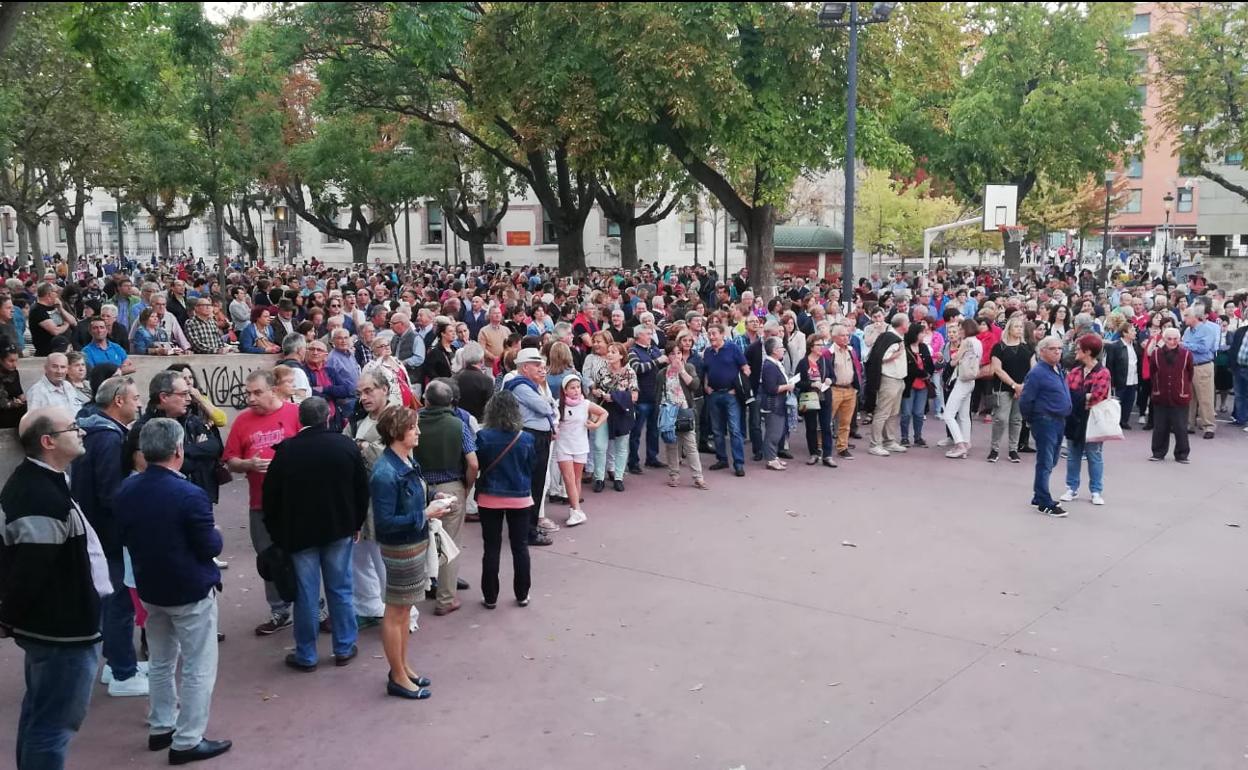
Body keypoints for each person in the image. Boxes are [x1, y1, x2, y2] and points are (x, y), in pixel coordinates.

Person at [114, 419, 232, 765]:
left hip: (152, 586)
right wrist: (218, 535)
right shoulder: (188, 494)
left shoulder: (127, 490)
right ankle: (188, 739)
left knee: (162, 661)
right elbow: (208, 544)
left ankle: (161, 725)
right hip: (189, 588)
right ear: (178, 450)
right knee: (198, 665)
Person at [0, 408, 105, 770]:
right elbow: (28, 572)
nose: (82, 433)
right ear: (48, 442)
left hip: (54, 628)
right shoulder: (40, 497)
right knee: (53, 724)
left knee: (39, 715)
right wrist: (8, 618)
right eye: (73, 428)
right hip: (62, 632)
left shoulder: (40, 483)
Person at [263, 397, 369, 672]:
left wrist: (277, 533)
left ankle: (306, 654)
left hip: (299, 534)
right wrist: (356, 522)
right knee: (341, 589)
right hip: (338, 528)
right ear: (327, 417)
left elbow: (270, 497)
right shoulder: (345, 446)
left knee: (306, 594)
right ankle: (344, 646)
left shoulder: (287, 451)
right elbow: (361, 489)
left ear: (301, 420)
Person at [69, 376, 145, 699]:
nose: (139, 403)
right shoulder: (109, 439)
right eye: (135, 398)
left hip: (97, 530)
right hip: (108, 533)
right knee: (118, 602)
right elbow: (111, 493)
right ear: (118, 401)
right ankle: (122, 672)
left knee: (115, 601)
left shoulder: (94, 430)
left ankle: (118, 663)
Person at [370, 405, 453, 700]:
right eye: (413, 427)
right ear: (397, 432)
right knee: (396, 611)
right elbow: (385, 523)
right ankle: (398, 675)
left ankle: (403, 667)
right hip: (401, 547)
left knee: (404, 610)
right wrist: (425, 513)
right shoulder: (385, 472)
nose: (418, 431)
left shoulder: (404, 460)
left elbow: (418, 490)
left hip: (413, 544)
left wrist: (434, 497)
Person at [222, 370, 300, 635]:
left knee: (301, 555)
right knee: (269, 557)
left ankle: (314, 606)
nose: (251, 398)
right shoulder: (242, 422)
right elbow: (230, 461)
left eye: (257, 392)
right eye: (248, 393)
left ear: (274, 391)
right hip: (260, 503)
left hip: (294, 502)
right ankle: (279, 611)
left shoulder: (295, 414)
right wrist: (248, 464)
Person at [414, 380, 479, 616]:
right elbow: (473, 462)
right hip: (451, 487)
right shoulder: (458, 425)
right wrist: (466, 486)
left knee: (417, 541)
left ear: (426, 400)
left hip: (418, 486)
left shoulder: (413, 421)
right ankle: (446, 598)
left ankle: (415, 593)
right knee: (449, 543)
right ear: (451, 401)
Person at [474, 391, 537, 609]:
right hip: (519, 496)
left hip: (490, 497)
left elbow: (479, 464)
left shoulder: (483, 437)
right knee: (520, 547)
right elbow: (532, 467)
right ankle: (522, 593)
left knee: (491, 547)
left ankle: (490, 596)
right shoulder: (526, 438)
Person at [503, 347, 558, 546]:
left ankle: (528, 528)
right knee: (532, 484)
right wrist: (549, 404)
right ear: (525, 367)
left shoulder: (529, 385)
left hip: (537, 436)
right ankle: (527, 531)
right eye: (536, 365)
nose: (540, 368)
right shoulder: (521, 386)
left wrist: (548, 404)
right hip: (531, 436)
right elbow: (546, 407)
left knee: (535, 483)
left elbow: (549, 406)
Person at [1019, 336, 1073, 517]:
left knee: (1052, 460)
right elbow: (1026, 399)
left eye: (1059, 348)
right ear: (1042, 352)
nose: (1058, 351)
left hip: (1058, 420)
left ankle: (1038, 495)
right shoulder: (1037, 373)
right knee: (1046, 461)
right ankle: (1044, 501)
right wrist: (1031, 419)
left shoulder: (1058, 369)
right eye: (1053, 349)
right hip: (1045, 420)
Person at [1059, 335, 1111, 507]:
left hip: (1093, 419)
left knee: (1094, 454)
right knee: (1073, 454)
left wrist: (1078, 396)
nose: (1076, 350)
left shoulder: (1103, 372)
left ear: (1088, 351)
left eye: (1079, 348)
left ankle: (1096, 490)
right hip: (1075, 417)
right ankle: (1071, 487)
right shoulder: (1074, 371)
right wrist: (1083, 396)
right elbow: (1067, 393)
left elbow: (1098, 396)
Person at [701, 323, 750, 477]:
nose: (711, 336)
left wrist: (740, 387)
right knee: (716, 430)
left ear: (722, 334)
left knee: (734, 429)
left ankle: (739, 463)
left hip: (731, 395)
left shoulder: (733, 348)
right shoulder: (707, 352)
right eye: (709, 333)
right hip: (714, 394)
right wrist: (706, 385)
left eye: (714, 333)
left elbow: (745, 368)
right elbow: (706, 371)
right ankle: (722, 459)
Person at [658, 340, 707, 488]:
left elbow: (695, 385)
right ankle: (674, 475)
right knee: (671, 445)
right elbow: (658, 393)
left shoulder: (689, 367)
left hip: (685, 410)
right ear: (667, 356)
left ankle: (698, 477)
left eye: (678, 353)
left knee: (690, 445)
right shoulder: (662, 373)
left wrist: (682, 371)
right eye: (672, 354)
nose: (676, 356)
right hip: (668, 412)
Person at [593, 341, 638, 493]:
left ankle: (618, 477)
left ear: (621, 355)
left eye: (613, 352)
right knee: (599, 445)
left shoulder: (629, 372)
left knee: (621, 446)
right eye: (609, 351)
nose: (610, 354)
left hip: (621, 411)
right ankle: (599, 478)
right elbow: (595, 387)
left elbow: (634, 396)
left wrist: (614, 397)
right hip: (603, 410)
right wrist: (597, 392)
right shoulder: (602, 370)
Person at [988, 315, 1032, 462]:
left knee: (1016, 420)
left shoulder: (1027, 348)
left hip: (1022, 388)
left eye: (1021, 327)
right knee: (1000, 419)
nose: (1019, 329)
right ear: (1009, 329)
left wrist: (1022, 387)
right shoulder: (999, 347)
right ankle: (994, 449)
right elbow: (997, 369)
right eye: (1016, 326)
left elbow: (1034, 369)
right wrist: (1014, 385)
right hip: (1004, 387)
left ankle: (1013, 449)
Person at [865, 313, 909, 457]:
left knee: (893, 412)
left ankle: (889, 441)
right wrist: (897, 354)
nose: (908, 325)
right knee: (882, 412)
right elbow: (882, 357)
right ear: (902, 325)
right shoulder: (891, 338)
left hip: (898, 379)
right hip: (889, 379)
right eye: (907, 322)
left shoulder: (894, 337)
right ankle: (875, 444)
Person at [1148, 327, 1194, 463]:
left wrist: (1182, 387)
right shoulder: (1156, 354)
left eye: (1176, 339)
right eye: (1169, 339)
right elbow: (1152, 373)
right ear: (1163, 339)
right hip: (1160, 395)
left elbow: (1190, 374)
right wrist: (1157, 387)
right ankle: (1158, 452)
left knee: (1180, 427)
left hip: (1180, 396)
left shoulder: (1186, 354)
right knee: (1160, 427)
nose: (1173, 342)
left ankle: (1182, 454)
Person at [627, 325, 667, 474]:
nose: (650, 336)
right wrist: (657, 361)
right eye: (647, 334)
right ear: (638, 336)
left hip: (655, 396)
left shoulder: (654, 350)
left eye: (651, 333)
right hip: (641, 398)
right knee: (636, 432)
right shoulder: (633, 351)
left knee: (654, 430)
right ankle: (633, 462)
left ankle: (652, 457)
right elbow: (636, 368)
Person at [941, 318, 983, 460]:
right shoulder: (978, 342)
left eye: (960, 329)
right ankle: (966, 441)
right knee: (964, 415)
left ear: (965, 329)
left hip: (962, 380)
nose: (958, 331)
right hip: (971, 379)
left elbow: (954, 361)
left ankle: (959, 444)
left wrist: (954, 357)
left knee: (948, 414)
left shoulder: (966, 342)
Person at [1180, 305, 1218, 439]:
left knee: (1205, 398)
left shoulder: (1207, 330)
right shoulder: (1187, 331)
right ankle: (1189, 424)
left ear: (1195, 317)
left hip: (1203, 366)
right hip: (1189, 366)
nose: (1183, 319)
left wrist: (1185, 346)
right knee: (1189, 397)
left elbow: (1204, 348)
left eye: (1186, 316)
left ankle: (1209, 426)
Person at [899, 322, 934, 449]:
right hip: (909, 384)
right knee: (906, 413)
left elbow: (930, 364)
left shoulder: (924, 347)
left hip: (922, 385)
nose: (924, 335)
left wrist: (928, 374)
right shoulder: (905, 347)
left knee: (919, 413)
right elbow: (908, 368)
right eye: (921, 332)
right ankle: (904, 437)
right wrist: (923, 374)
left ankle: (918, 437)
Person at [1105, 322, 1142, 432]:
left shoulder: (1135, 345)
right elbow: (1109, 365)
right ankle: (1115, 422)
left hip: (1133, 379)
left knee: (1129, 401)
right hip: (1120, 379)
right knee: (1118, 402)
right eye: (1132, 331)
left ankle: (1124, 421)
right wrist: (1111, 382)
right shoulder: (1115, 346)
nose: (1135, 333)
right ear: (1125, 333)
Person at [452, 342, 493, 421]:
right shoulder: (487, 381)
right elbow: (490, 408)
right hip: (479, 423)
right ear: (482, 360)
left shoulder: (454, 379)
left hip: (459, 423)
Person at [0, 345, 26, 428]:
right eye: (11, 361)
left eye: (16, 361)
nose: (14, 364)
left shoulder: (14, 373)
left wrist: (24, 400)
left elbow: (19, 393)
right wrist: (12, 404)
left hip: (14, 409)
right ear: (1, 360)